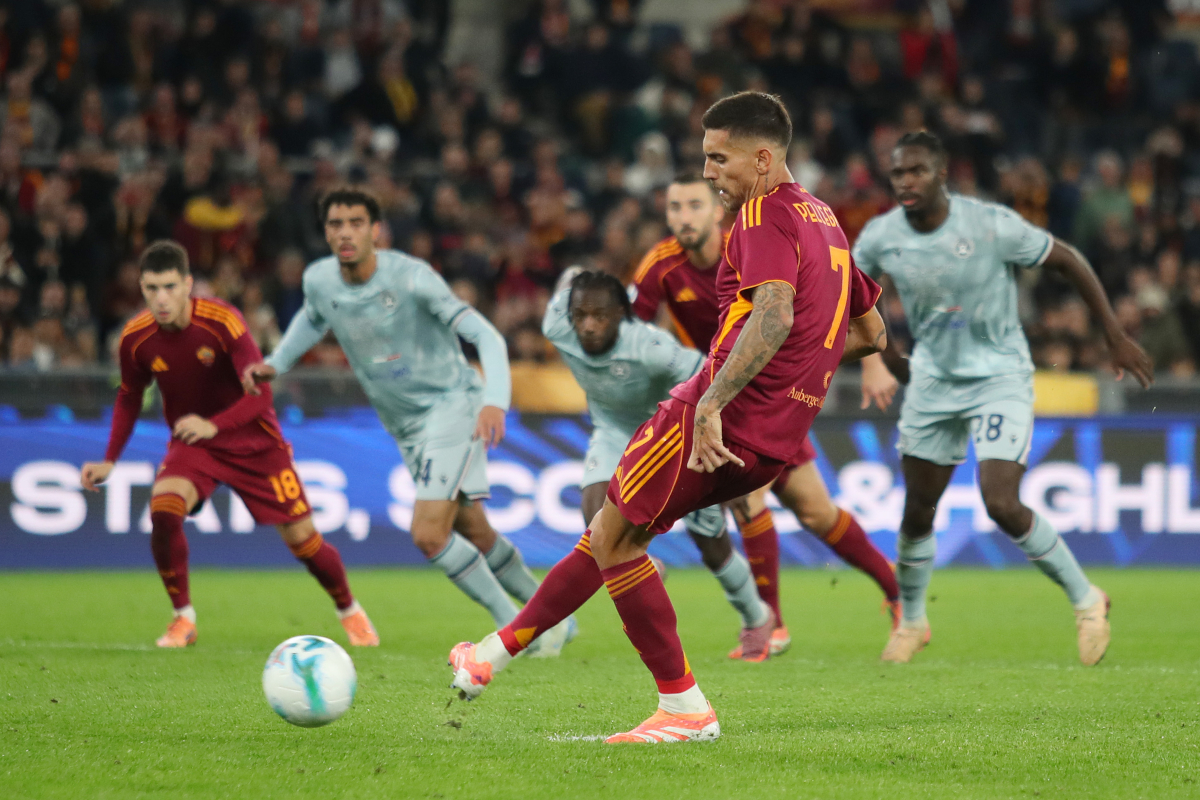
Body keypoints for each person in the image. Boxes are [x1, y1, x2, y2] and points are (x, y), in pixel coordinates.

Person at [447, 92, 886, 744]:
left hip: (711, 414)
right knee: (611, 532)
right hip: (776, 437)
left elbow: (774, 313)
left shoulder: (762, 212)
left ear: (762, 159)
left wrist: (710, 402)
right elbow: (870, 331)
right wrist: (798, 369)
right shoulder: (827, 223)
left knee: (615, 539)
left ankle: (682, 706)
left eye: (718, 158)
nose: (709, 174)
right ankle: (491, 655)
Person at [854, 131, 1154, 666]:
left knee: (1001, 502)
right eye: (899, 173)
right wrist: (879, 357)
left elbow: (1067, 260)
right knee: (917, 510)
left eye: (918, 171)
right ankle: (914, 620)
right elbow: (850, 296)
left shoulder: (990, 225)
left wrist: (1112, 334)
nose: (907, 182)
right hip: (932, 381)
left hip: (999, 377)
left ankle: (1088, 601)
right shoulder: (881, 236)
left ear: (942, 173)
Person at [242, 189, 574, 656]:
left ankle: (517, 630)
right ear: (325, 232)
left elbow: (485, 334)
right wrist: (276, 363)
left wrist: (494, 400)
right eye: (335, 224)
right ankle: (560, 616)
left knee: (428, 533)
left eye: (356, 222)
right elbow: (313, 320)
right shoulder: (319, 280)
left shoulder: (413, 278)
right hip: (404, 424)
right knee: (473, 529)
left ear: (375, 230)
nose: (345, 232)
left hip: (453, 405)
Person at [632, 173, 902, 657]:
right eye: (674, 208)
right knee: (758, 502)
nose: (683, 217)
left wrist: (874, 361)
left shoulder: (756, 240)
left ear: (716, 210)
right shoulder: (661, 265)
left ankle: (893, 591)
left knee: (815, 514)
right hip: (720, 392)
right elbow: (631, 338)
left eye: (693, 204)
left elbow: (836, 302)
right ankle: (772, 622)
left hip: (771, 390)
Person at [80, 241, 378, 649]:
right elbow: (129, 397)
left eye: (169, 286)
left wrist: (214, 425)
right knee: (164, 510)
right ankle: (183, 619)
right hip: (195, 444)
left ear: (188, 284)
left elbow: (261, 396)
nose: (160, 298)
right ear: (141, 288)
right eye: (151, 289)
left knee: (304, 542)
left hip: (254, 441)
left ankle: (350, 610)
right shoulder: (135, 339)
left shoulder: (223, 322)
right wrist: (110, 459)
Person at [545, 266, 775, 660]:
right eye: (580, 316)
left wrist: (727, 457)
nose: (587, 326)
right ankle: (646, 570)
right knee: (594, 513)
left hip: (667, 432)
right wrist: (572, 275)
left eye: (599, 316)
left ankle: (757, 616)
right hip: (613, 431)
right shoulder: (556, 326)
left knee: (710, 542)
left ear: (621, 313)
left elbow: (711, 379)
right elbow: (565, 284)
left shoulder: (651, 348)